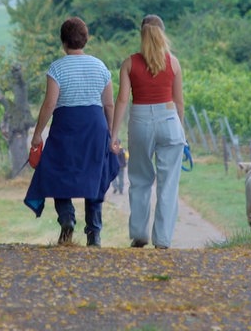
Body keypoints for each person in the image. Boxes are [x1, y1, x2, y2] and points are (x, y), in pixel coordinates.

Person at [24, 17, 119, 247]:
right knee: (94, 176)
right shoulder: (100, 66)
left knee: (58, 172)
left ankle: (67, 220)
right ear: (85, 40)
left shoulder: (57, 67)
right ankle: (94, 233)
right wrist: (113, 136)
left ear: (63, 42)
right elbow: (109, 105)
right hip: (95, 126)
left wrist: (38, 133)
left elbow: (49, 103)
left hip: (66, 124)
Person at [110, 14, 186, 249]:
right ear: (162, 33)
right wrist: (181, 131)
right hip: (169, 119)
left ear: (141, 34)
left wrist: (114, 134)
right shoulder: (173, 62)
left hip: (141, 121)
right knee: (168, 183)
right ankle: (162, 240)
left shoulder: (129, 63)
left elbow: (122, 100)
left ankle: (139, 234)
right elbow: (179, 102)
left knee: (140, 179)